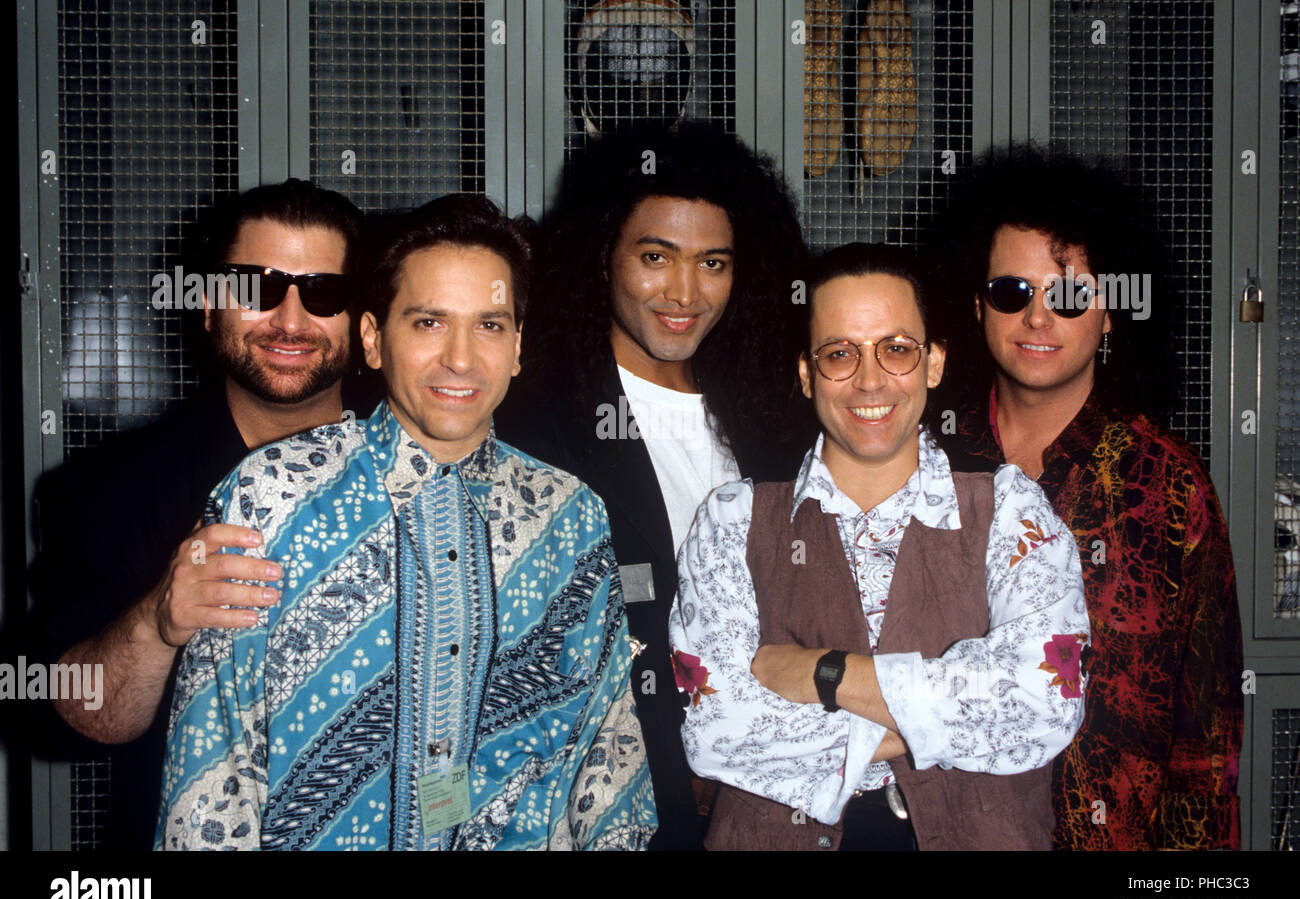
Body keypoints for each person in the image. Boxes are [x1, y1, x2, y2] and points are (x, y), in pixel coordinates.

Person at [157, 194, 656, 851]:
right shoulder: (271, 498)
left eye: (490, 325)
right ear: (372, 339)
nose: (460, 358)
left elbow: (608, 757)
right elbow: (212, 777)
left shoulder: (569, 515)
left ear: (517, 347)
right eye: (427, 322)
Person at [668, 243, 1089, 850]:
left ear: (933, 364)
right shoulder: (732, 521)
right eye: (840, 354)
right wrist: (952, 709)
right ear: (807, 373)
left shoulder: (1010, 510)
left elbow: (1045, 699)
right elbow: (716, 728)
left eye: (895, 350)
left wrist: (825, 674)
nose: (870, 380)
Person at [496, 124, 814, 849]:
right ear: (600, 258)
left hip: (769, 799)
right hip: (621, 806)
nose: (685, 292)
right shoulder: (538, 426)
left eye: (714, 263)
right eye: (654, 256)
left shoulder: (775, 415)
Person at [28, 178, 371, 850]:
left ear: (361, 320)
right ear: (209, 307)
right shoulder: (107, 491)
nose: (291, 320)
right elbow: (52, 717)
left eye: (322, 292)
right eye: (256, 288)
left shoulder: (421, 473)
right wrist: (157, 623)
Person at [940, 146, 1244, 850]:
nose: (1039, 317)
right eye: (1012, 292)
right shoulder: (927, 467)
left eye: (1071, 295)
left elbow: (1206, 748)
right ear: (976, 306)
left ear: (1110, 314)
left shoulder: (1168, 489)